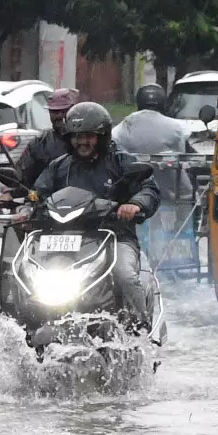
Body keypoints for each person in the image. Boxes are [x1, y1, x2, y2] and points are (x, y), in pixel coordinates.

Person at [23, 101, 162, 321]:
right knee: (27, 269)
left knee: (124, 275)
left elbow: (148, 187)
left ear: (102, 136)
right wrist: (26, 207)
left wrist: (135, 204)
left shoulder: (120, 162)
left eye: (88, 136)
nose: (82, 142)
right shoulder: (59, 166)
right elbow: (37, 193)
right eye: (77, 136)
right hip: (64, 238)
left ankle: (139, 328)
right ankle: (23, 325)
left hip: (114, 236)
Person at [113, 82, 192, 158]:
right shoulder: (177, 127)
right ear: (164, 103)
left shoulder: (125, 125)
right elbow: (189, 153)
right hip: (167, 171)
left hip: (131, 171)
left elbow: (114, 142)